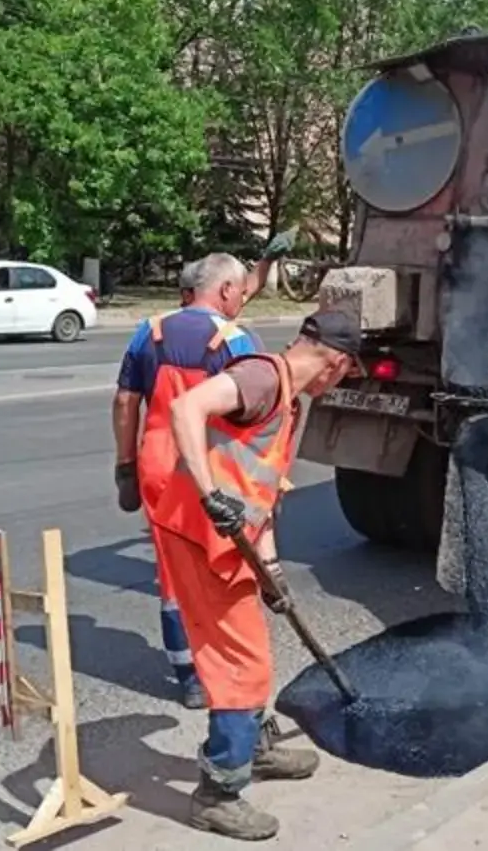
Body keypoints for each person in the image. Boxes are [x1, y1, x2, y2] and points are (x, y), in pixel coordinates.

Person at [149, 310, 361, 841]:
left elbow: (259, 492)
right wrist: (207, 492)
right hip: (199, 538)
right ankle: (218, 792)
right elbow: (186, 406)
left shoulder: (286, 396)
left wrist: (270, 571)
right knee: (240, 665)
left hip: (228, 542)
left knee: (253, 651)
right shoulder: (263, 377)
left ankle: (255, 747)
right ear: (334, 362)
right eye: (346, 373)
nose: (339, 383)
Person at [111, 231, 297, 710]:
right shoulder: (235, 339)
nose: (243, 298)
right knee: (224, 570)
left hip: (156, 467)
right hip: (215, 468)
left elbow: (125, 401)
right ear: (225, 292)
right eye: (239, 291)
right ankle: (228, 672)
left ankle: (188, 674)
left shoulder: (148, 330)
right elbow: (258, 415)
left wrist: (125, 466)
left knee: (173, 575)